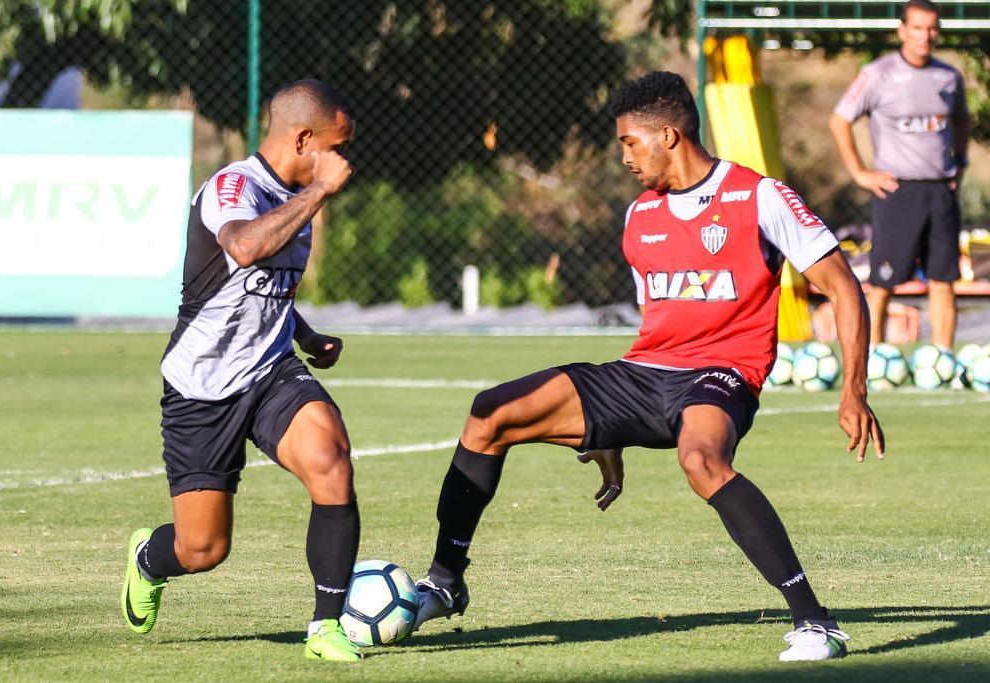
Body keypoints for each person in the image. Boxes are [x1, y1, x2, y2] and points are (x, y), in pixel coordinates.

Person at [412, 71, 885, 662]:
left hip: (721, 374)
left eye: (629, 143)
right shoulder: (640, 218)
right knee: (489, 414)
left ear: (668, 135)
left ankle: (817, 623)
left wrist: (854, 392)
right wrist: (608, 430)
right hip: (645, 373)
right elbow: (654, 332)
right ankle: (444, 580)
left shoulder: (759, 196)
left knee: (701, 459)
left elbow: (843, 289)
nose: (625, 157)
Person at [120, 79, 365, 662]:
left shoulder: (298, 195)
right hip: (200, 387)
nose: (343, 161)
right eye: (337, 146)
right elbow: (246, 249)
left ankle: (326, 627)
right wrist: (322, 192)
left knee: (331, 462)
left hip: (270, 372)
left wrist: (303, 333)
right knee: (203, 548)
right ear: (304, 139)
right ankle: (148, 561)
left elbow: (254, 289)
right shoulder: (236, 187)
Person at [829, 0, 970, 348]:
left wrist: (961, 161)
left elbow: (962, 120)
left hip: (941, 192)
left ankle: (943, 358)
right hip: (897, 192)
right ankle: (873, 361)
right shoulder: (879, 74)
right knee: (883, 283)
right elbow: (839, 120)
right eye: (918, 28)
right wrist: (861, 173)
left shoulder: (949, 77)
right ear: (902, 30)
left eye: (933, 28)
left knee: (944, 281)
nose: (926, 36)